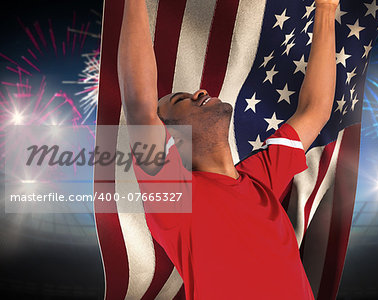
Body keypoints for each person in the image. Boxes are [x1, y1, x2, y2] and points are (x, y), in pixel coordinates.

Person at [118, 0, 339, 298]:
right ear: (172, 138)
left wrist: (326, 9)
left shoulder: (261, 178)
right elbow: (140, 107)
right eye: (181, 100)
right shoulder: (175, 197)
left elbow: (315, 111)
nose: (200, 91)